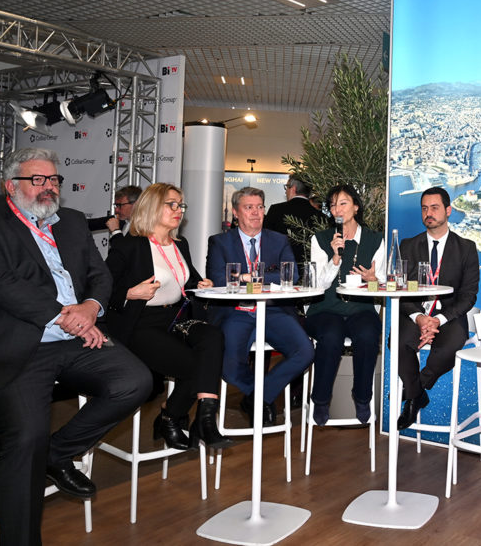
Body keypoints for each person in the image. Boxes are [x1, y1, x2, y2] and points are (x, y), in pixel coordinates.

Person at [0, 147, 151, 546]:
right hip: (13, 345)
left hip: (74, 338)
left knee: (134, 381)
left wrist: (90, 309)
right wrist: (67, 317)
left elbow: (100, 276)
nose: (48, 187)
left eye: (53, 180)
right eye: (37, 179)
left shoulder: (72, 221)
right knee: (26, 439)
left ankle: (57, 453)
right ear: (10, 186)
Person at [104, 182, 230, 450]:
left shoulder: (180, 245)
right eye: (171, 204)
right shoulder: (130, 246)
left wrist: (201, 284)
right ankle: (175, 417)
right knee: (199, 366)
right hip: (142, 324)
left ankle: (202, 418)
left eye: (180, 205)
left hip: (176, 318)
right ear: (151, 206)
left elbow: (187, 280)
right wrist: (129, 293)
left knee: (213, 336)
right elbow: (100, 290)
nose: (178, 210)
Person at [206, 187, 314, 426]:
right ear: (236, 212)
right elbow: (219, 278)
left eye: (260, 207)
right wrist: (264, 276)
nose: (256, 213)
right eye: (249, 207)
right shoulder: (220, 242)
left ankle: (257, 398)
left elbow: (291, 275)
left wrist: (246, 276)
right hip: (237, 312)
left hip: (274, 311)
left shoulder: (279, 240)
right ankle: (261, 396)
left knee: (305, 352)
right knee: (229, 368)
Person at [396, 187, 480, 431]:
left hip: (448, 316)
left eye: (434, 208)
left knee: (450, 348)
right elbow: (400, 288)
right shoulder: (408, 246)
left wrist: (438, 320)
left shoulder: (466, 248)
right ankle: (416, 395)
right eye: (424, 208)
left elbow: (468, 295)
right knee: (398, 343)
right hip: (415, 314)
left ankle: (414, 392)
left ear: (448, 210)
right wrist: (419, 317)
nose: (428, 213)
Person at [305, 184, 384, 425]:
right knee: (331, 335)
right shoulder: (320, 239)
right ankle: (320, 400)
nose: (337, 209)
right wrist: (335, 258)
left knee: (368, 333)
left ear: (356, 207)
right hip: (325, 309)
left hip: (361, 308)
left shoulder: (374, 240)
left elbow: (383, 284)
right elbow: (318, 284)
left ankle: (362, 396)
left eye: (343, 203)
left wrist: (373, 280)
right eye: (332, 205)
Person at [264, 176, 320, 261]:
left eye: (287, 187)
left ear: (293, 189)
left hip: (280, 264)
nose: (286, 191)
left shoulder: (276, 210)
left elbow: (266, 240)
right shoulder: (320, 216)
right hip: (309, 265)